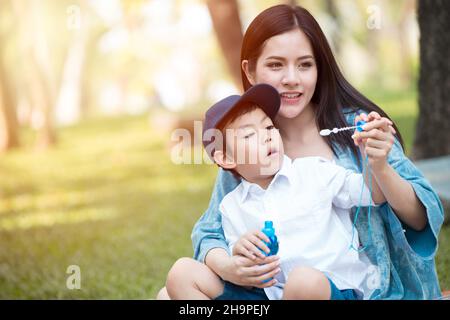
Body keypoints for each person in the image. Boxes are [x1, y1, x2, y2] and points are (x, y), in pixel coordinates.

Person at [157, 4, 444, 300]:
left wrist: (379, 165)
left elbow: (421, 218)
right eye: (276, 65)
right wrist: (229, 265)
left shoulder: (357, 128)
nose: (292, 78)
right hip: (275, 292)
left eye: (305, 64)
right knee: (171, 291)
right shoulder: (247, 148)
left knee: (303, 284)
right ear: (250, 71)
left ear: (319, 69)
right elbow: (209, 232)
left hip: (353, 291)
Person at [167, 83, 390, 300]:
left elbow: (373, 194)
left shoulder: (314, 172)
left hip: (328, 291)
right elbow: (239, 264)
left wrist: (374, 161)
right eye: (248, 135)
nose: (267, 136)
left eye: (268, 127)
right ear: (225, 158)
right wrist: (242, 255)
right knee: (181, 273)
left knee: (302, 280)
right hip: (268, 293)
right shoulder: (231, 206)